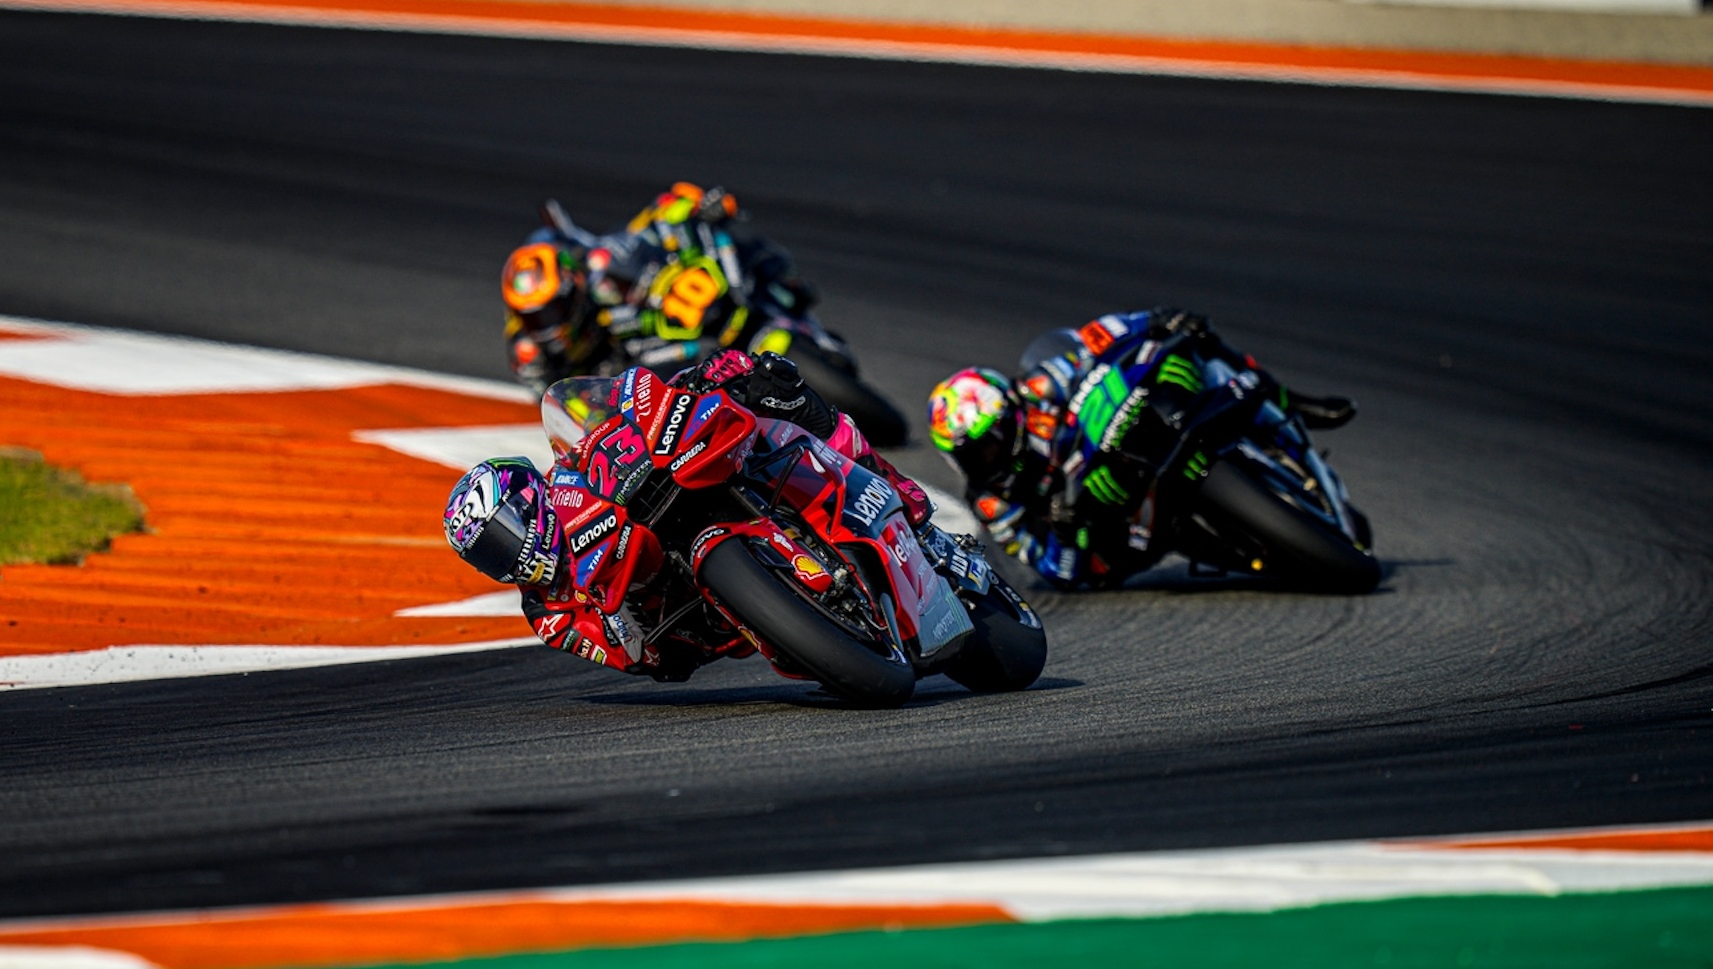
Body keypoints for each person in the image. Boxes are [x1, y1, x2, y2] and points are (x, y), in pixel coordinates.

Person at [443, 349, 932, 680]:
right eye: (489, 554)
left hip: (678, 496)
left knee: (763, 384)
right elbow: (636, 660)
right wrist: (622, 629)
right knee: (686, 659)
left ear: (529, 498)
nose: (505, 556)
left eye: (503, 535)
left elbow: (613, 416)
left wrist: (681, 391)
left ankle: (893, 488)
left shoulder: (568, 483)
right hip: (690, 621)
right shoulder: (546, 611)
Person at [927, 308, 1357, 590]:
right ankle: (1240, 541)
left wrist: (1155, 321)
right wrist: (1062, 530)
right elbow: (1050, 570)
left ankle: (1292, 401)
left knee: (1195, 340)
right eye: (975, 453)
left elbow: (1096, 338)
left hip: (1144, 420)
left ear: (1010, 412)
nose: (990, 455)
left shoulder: (1041, 386)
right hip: (1122, 526)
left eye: (994, 438)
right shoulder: (992, 501)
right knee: (1104, 563)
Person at [501, 182, 782, 393]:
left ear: (572, 287)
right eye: (531, 318)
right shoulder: (528, 353)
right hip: (627, 392)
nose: (544, 325)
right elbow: (562, 412)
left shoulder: (598, 274)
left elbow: (641, 228)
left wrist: (688, 209)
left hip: (663, 338)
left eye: (551, 311)